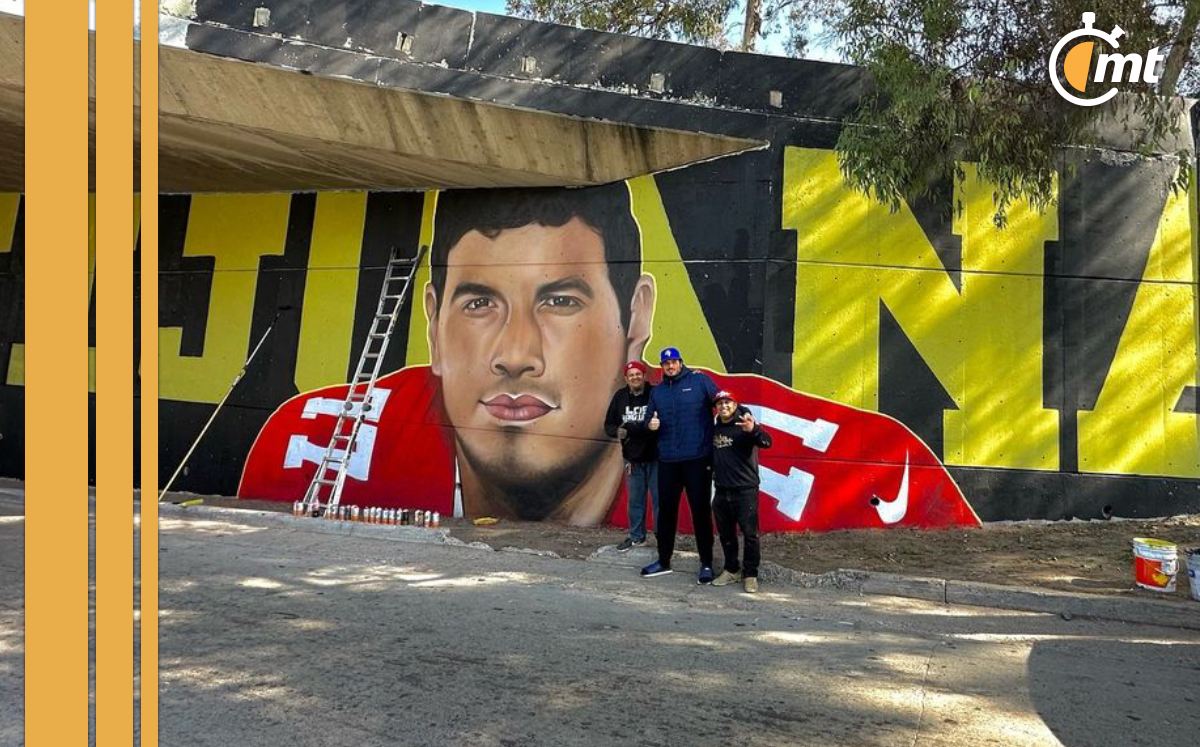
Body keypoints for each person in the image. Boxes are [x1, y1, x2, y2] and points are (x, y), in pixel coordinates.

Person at [238, 184, 982, 535]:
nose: (515, 355)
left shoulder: (876, 479)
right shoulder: (310, 447)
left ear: (637, 321)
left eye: (561, 301)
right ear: (430, 323)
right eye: (478, 303)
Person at [641, 346, 720, 583]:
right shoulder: (658, 392)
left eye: (674, 362)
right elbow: (648, 420)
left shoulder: (700, 382)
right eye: (666, 364)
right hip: (668, 461)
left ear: (681, 362)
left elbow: (723, 403)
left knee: (700, 513)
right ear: (662, 367)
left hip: (698, 459)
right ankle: (664, 561)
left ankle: (706, 563)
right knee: (666, 513)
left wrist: (743, 422)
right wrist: (650, 425)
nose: (670, 366)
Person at [709, 389, 772, 593]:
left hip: (745, 490)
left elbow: (767, 442)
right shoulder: (714, 428)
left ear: (735, 405)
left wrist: (753, 430)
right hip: (721, 489)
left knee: (750, 534)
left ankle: (751, 574)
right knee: (726, 534)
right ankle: (731, 569)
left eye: (728, 403)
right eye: (720, 403)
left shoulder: (745, 424)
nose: (724, 406)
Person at [604, 360, 658, 551]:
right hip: (632, 458)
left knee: (659, 500)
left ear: (645, 376)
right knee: (635, 500)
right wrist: (617, 431)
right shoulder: (620, 397)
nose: (635, 377)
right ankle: (637, 537)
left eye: (638, 374)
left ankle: (662, 539)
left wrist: (655, 428)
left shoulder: (655, 394)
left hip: (656, 457)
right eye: (631, 375)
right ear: (626, 379)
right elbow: (608, 425)